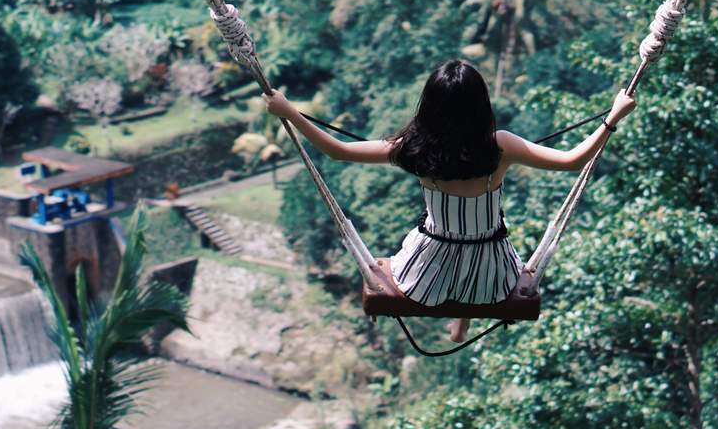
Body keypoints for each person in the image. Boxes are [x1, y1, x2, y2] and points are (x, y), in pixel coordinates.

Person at [263, 59, 637, 342]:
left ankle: (460, 309)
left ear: (430, 106)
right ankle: (465, 313)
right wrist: (612, 118)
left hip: (425, 276)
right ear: (481, 106)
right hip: (494, 276)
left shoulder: (413, 148)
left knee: (419, 253)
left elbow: (339, 151)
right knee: (479, 254)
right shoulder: (500, 146)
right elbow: (573, 160)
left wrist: (289, 112)